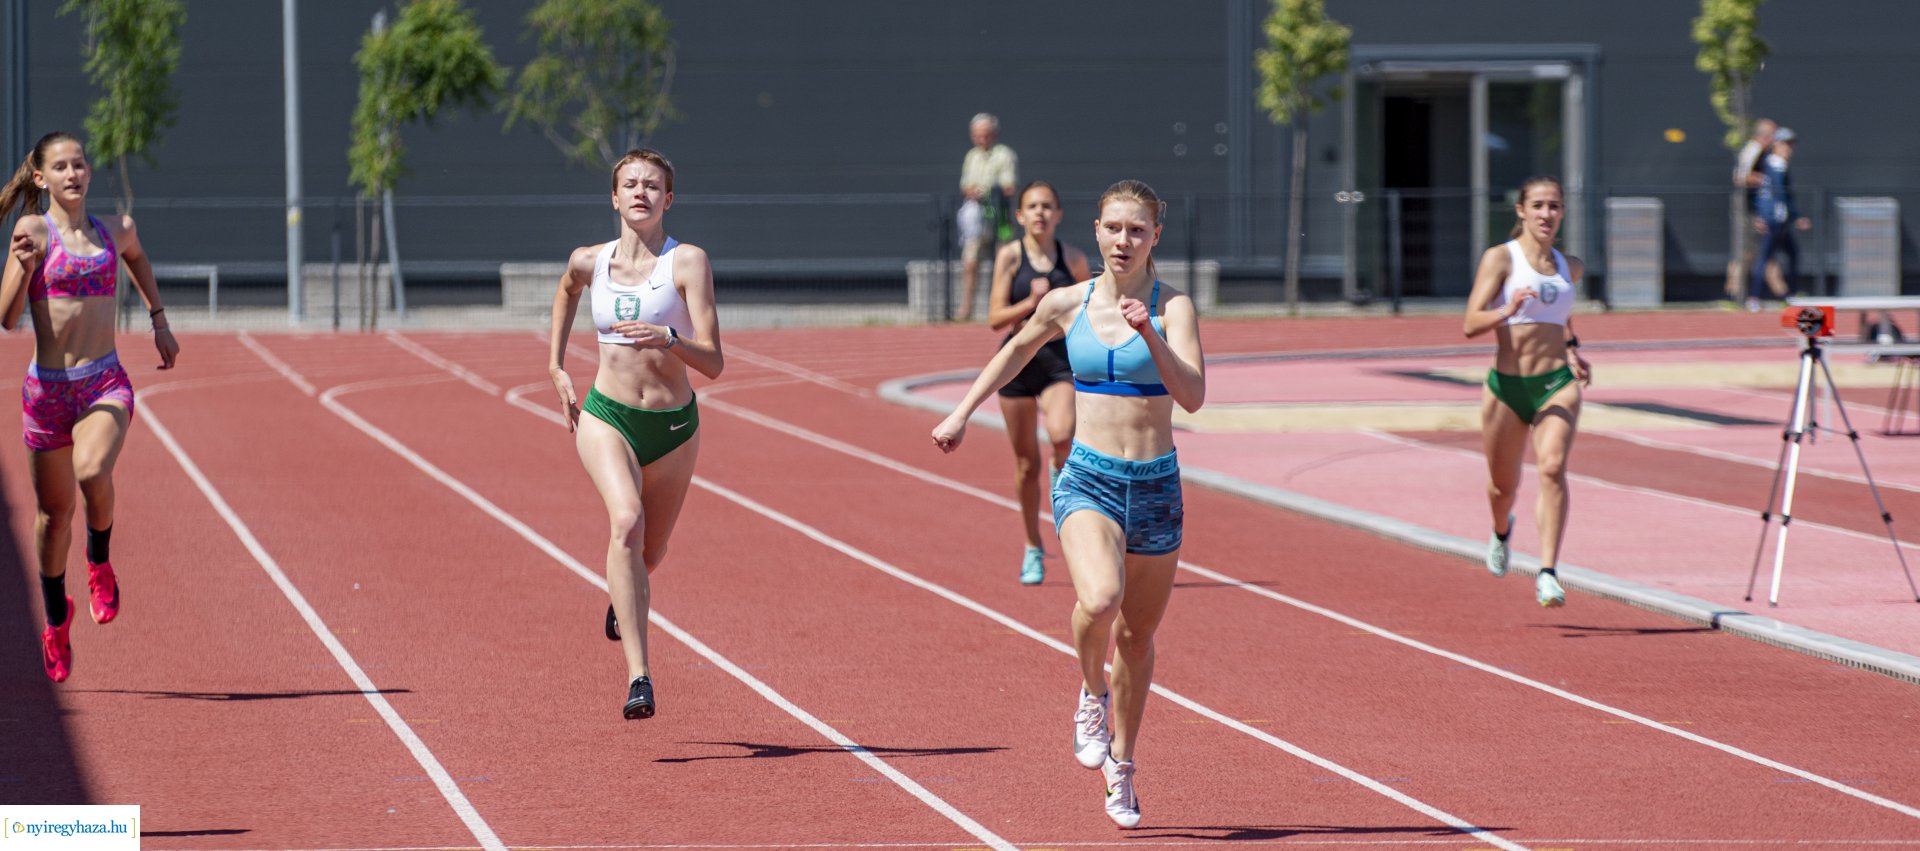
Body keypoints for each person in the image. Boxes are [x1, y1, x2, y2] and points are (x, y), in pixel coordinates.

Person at [933, 180, 1204, 828]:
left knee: (1138, 639)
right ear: (1099, 228)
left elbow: (1192, 395)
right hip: (1090, 477)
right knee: (1101, 598)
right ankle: (1090, 690)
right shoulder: (1068, 301)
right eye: (1113, 227)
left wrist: (1154, 336)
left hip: (1158, 484)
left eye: (1137, 230)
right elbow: (1016, 346)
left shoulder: (1176, 307)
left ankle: (1124, 765)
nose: (1123, 240)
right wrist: (962, 411)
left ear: (1155, 236)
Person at [546, 148, 723, 720]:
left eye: (653, 185)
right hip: (608, 417)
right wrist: (555, 365)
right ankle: (639, 676)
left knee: (651, 550)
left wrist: (668, 337)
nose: (641, 192)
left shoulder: (688, 263)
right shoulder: (589, 261)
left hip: (673, 427)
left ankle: (623, 595)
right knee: (626, 520)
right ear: (614, 197)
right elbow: (567, 290)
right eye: (630, 184)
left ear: (669, 199)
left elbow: (715, 363)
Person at [0, 131, 179, 682]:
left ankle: (99, 561)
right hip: (47, 392)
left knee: (92, 468)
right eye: (61, 166)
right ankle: (56, 620)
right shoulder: (32, 230)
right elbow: (7, 317)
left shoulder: (114, 229)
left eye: (80, 164)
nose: (74, 173)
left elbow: (138, 258)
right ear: (41, 178)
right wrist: (21, 267)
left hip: (103, 382)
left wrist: (159, 320)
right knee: (54, 519)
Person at [1465, 175, 1591, 609]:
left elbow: (1562, 309)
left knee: (1552, 468)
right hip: (1506, 388)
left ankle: (1548, 572)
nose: (1546, 214)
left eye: (1554, 206)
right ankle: (1501, 531)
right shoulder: (1501, 259)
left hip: (1556, 384)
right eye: (1538, 205)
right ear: (1521, 210)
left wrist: (1573, 348)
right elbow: (1469, 323)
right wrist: (1506, 310)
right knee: (1503, 487)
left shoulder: (1568, 266)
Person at [986, 180, 1091, 586]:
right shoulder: (1009, 257)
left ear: (1059, 214)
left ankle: (1067, 512)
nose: (1040, 213)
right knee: (1027, 464)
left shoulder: (1075, 259)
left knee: (1063, 437)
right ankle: (1033, 546)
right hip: (1018, 363)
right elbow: (995, 318)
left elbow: (1090, 308)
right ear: (1020, 215)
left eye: (1048, 206)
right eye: (1032, 206)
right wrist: (1032, 304)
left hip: (1059, 362)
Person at [956, 113, 1018, 322]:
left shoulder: (1004, 155)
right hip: (976, 217)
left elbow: (1009, 186)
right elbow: (965, 185)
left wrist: (988, 191)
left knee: (1004, 260)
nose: (982, 140)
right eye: (977, 135)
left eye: (986, 135)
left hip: (1000, 215)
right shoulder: (971, 156)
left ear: (994, 134)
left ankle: (1001, 304)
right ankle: (967, 307)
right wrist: (972, 192)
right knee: (970, 260)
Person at [1727, 118, 1786, 309]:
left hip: (1757, 210)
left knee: (1763, 252)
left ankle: (1782, 293)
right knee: (1746, 252)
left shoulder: (1763, 152)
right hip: (1749, 210)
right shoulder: (1753, 149)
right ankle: (1734, 293)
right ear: (1764, 136)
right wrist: (1764, 179)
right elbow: (1740, 177)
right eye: (1773, 136)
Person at [1752, 128, 1811, 304]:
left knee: (1792, 254)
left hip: (1781, 220)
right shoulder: (1773, 165)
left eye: (1791, 145)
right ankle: (1754, 297)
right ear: (1776, 145)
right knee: (1765, 257)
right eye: (1785, 144)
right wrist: (1797, 217)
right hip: (1774, 220)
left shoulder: (1778, 165)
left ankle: (1791, 294)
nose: (1789, 149)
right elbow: (1780, 195)